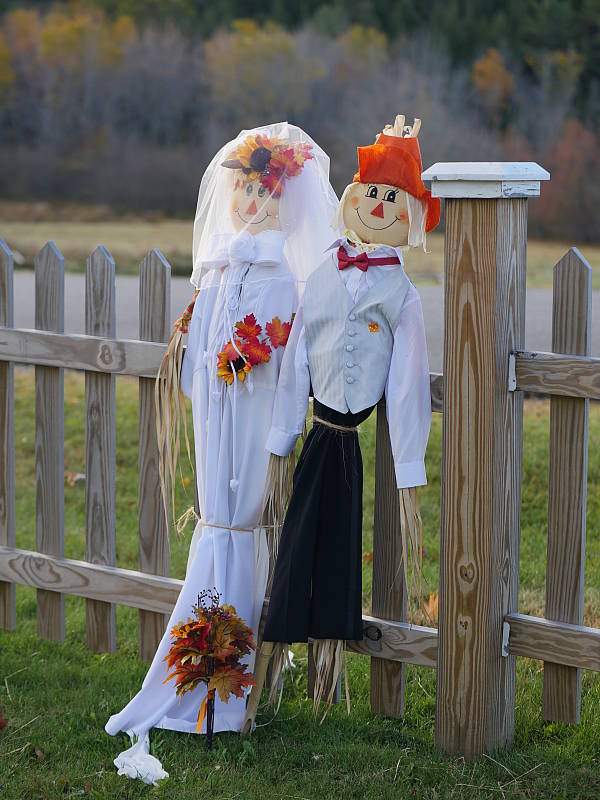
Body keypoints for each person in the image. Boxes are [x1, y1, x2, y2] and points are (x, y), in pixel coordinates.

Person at [105, 122, 338, 784]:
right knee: (220, 516)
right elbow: (196, 357)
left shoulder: (283, 281)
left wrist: (277, 431)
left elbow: (288, 368)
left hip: (255, 424)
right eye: (246, 190)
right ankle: (201, 665)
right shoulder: (219, 271)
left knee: (244, 518)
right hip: (216, 423)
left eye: (267, 193)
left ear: (287, 204)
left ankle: (231, 681)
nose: (253, 203)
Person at [243, 115, 440, 730]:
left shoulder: (403, 296)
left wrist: (408, 466)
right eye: (372, 193)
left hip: (352, 440)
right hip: (315, 436)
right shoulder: (322, 274)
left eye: (392, 198)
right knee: (298, 543)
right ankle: (278, 661)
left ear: (409, 215)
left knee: (339, 549)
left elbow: (407, 386)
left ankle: (328, 673)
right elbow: (295, 362)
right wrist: (283, 437)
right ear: (353, 199)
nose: (379, 206)